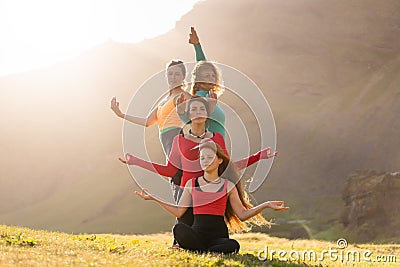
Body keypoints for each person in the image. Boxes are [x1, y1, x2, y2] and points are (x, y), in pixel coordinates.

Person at [119, 96, 277, 227]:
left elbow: (228, 166)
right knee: (183, 231)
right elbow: (170, 171)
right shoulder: (178, 140)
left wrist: (259, 156)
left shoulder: (217, 138)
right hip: (188, 195)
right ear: (187, 115)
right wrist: (136, 161)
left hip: (212, 193)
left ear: (208, 113)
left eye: (202, 109)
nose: (198, 112)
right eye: (194, 109)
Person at [135, 140, 288, 253]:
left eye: (209, 157)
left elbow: (242, 215)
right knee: (179, 228)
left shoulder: (228, 185)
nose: (205, 161)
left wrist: (266, 204)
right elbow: (179, 212)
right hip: (197, 234)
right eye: (202, 158)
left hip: (218, 237)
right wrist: (154, 198)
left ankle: (201, 251)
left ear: (220, 160)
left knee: (233, 245)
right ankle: (206, 251)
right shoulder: (191, 183)